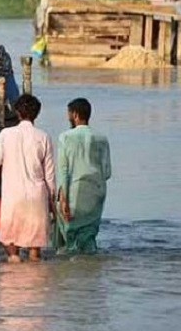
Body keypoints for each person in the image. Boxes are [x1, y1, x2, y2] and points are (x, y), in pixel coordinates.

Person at [0, 94, 55, 262]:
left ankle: (13, 282)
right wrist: (52, 205)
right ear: (37, 114)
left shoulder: (6, 135)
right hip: (37, 199)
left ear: (17, 112)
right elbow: (49, 177)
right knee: (35, 256)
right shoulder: (44, 137)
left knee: (12, 253)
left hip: (13, 199)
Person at [54, 98, 111, 254]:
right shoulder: (102, 138)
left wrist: (63, 198)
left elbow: (63, 171)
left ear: (75, 115)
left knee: (70, 237)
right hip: (96, 192)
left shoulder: (65, 137)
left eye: (69, 114)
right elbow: (107, 172)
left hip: (74, 192)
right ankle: (91, 274)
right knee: (89, 236)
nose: (68, 118)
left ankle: (75, 272)